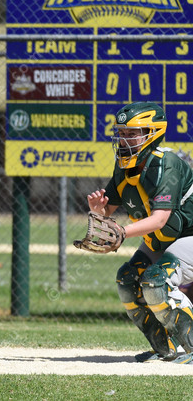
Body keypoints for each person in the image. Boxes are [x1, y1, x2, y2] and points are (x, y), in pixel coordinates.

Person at [85, 101, 193, 364]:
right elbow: (107, 210)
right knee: (128, 279)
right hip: (165, 238)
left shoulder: (166, 163)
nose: (124, 139)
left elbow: (160, 219)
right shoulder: (124, 166)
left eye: (131, 133)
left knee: (156, 280)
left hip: (188, 234)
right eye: (121, 133)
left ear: (152, 134)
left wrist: (122, 231)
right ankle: (166, 348)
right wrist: (98, 211)